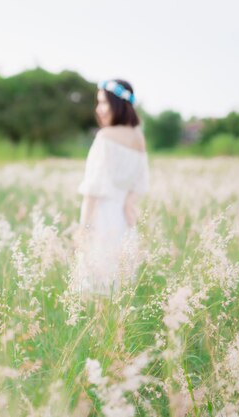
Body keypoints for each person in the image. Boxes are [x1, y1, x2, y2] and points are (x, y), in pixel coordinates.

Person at [76, 79, 150, 294]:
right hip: (124, 222)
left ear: (117, 105)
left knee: (95, 289)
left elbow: (92, 189)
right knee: (118, 289)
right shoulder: (138, 137)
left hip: (101, 218)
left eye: (104, 103)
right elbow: (141, 180)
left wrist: (84, 227)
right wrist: (129, 203)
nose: (99, 109)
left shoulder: (105, 137)